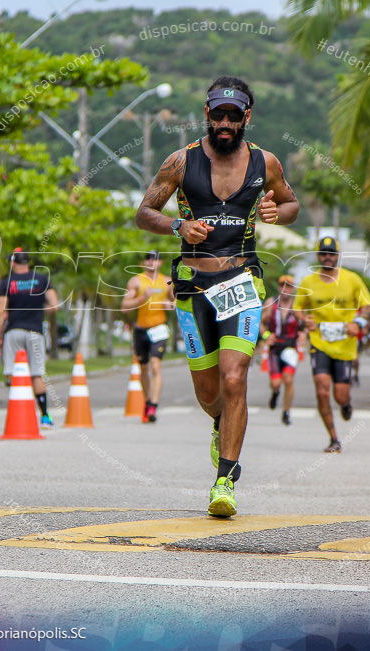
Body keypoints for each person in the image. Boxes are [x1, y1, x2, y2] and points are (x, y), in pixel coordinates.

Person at [134, 75, 299, 517]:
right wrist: (177, 226)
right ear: (206, 115)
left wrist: (275, 213)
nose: (225, 122)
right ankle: (219, 423)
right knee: (209, 392)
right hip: (192, 286)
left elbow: (291, 204)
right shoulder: (181, 162)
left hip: (242, 283)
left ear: (247, 116)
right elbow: (144, 211)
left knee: (234, 378)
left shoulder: (267, 164)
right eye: (217, 114)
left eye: (234, 115)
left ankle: (225, 479)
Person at [293, 236, 370, 453]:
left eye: (331, 254)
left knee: (340, 395)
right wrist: (304, 319)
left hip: (345, 345)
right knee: (321, 391)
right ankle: (334, 438)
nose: (327, 257)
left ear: (338, 256)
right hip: (319, 342)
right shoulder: (308, 282)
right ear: (318, 256)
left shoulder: (352, 279)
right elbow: (297, 307)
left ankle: (346, 404)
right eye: (323, 253)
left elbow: (367, 305)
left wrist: (358, 322)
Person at [0, 248, 59, 428]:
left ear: (13, 263)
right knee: (37, 373)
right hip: (35, 332)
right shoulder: (41, 279)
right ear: (28, 263)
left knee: (13, 373)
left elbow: (1, 312)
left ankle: (19, 413)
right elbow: (54, 305)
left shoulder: (7, 282)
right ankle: (45, 415)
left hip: (14, 331)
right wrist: (38, 310)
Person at [121, 250, 174, 423]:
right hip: (141, 329)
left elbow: (177, 302)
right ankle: (146, 402)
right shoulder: (136, 281)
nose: (151, 262)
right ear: (144, 262)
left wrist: (170, 304)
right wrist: (142, 298)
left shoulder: (166, 281)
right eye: (148, 259)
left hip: (159, 327)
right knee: (143, 368)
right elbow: (124, 307)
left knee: (156, 366)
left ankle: (153, 405)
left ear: (160, 262)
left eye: (155, 259)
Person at [261, 274, 302, 426]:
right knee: (276, 383)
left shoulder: (297, 306)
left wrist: (304, 335)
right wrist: (266, 335)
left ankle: (286, 411)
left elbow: (304, 324)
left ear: (293, 288)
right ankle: (275, 393)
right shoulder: (271, 303)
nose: (286, 289)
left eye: (289, 286)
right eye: (283, 285)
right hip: (275, 348)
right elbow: (260, 323)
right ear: (279, 287)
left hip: (291, 347)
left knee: (289, 379)